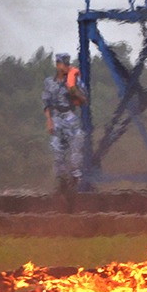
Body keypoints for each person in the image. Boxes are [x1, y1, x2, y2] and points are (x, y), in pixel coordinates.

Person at [42, 53, 87, 192]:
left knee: (75, 148)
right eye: (63, 64)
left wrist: (74, 92)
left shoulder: (74, 80)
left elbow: (85, 99)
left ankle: (75, 179)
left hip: (69, 115)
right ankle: (61, 182)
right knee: (57, 150)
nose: (66, 67)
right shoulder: (49, 82)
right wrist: (49, 120)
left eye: (67, 64)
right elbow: (46, 103)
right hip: (56, 116)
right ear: (57, 65)